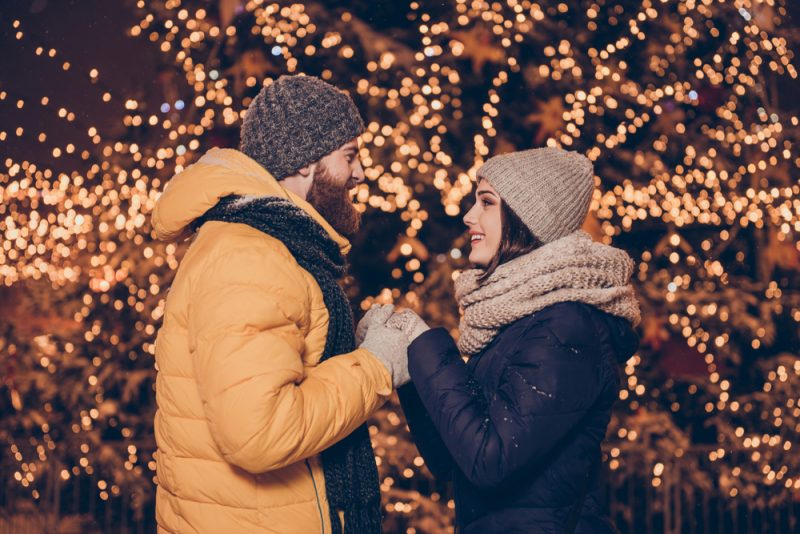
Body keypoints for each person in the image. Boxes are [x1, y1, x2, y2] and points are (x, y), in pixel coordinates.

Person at [150, 75, 411, 533]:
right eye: (349, 156)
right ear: (307, 161)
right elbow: (260, 433)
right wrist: (374, 367)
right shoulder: (252, 255)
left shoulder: (270, 244)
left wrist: (355, 348)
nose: (360, 173)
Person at [363, 148, 641, 533]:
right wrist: (410, 366)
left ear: (528, 219)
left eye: (487, 203)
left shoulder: (566, 325)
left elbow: (490, 461)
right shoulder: (514, 321)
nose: (469, 216)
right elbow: (452, 459)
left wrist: (424, 343)